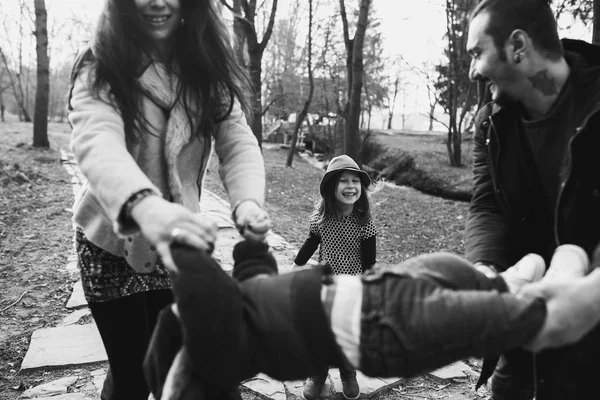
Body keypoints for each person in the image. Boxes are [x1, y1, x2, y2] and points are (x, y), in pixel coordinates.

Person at [66, 0, 270, 399]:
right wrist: (145, 205)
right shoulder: (101, 60)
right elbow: (96, 139)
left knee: (180, 363)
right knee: (133, 375)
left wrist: (247, 201)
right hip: (110, 241)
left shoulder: (205, 61)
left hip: (180, 239)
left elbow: (237, 139)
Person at [143, 237, 600, 400]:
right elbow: (201, 285)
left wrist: (251, 242)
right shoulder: (217, 350)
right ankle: (553, 299)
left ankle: (520, 284)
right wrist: (168, 239)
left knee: (460, 271)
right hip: (385, 331)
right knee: (546, 320)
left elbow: (251, 277)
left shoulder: (238, 318)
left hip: (380, 288)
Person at [464, 0, 600, 398]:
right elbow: (486, 201)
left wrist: (589, 292)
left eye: (477, 53)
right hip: (520, 339)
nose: (473, 69)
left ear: (518, 46)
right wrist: (485, 270)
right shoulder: (490, 123)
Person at [292, 154, 378, 400]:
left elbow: (370, 263)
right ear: (331, 187)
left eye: (355, 181)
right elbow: (310, 243)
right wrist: (296, 266)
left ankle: (347, 373)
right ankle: (317, 373)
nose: (351, 186)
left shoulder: (365, 225)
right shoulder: (322, 220)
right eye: (344, 181)